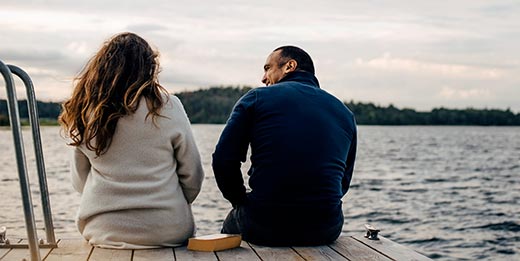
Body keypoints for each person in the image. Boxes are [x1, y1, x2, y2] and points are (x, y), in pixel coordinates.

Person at [59, 32, 204, 249]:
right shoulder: (169, 106)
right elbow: (193, 175)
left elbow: (80, 181)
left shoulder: (86, 111)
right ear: (148, 68)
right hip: (167, 229)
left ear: (102, 67)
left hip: (103, 229)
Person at [212, 46, 357, 246]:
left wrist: (239, 202)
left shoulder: (256, 99)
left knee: (232, 225)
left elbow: (223, 160)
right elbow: (343, 181)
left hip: (264, 225)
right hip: (326, 228)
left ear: (290, 66)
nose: (263, 78)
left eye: (267, 68)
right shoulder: (345, 113)